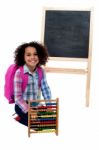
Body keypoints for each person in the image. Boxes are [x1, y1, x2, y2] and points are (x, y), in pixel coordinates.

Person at [13, 41, 52, 126]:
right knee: (37, 124)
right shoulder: (19, 73)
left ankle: (34, 120)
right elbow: (18, 98)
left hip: (36, 104)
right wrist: (29, 111)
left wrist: (49, 106)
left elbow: (45, 89)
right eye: (28, 55)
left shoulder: (41, 71)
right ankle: (18, 117)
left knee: (50, 121)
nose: (32, 57)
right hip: (22, 106)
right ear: (23, 57)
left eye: (35, 54)